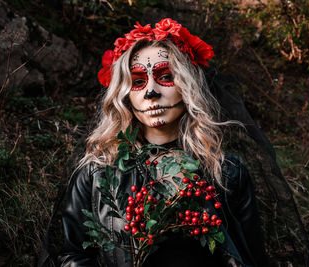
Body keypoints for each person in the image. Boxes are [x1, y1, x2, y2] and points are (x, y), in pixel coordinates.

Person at [57, 18, 269, 267]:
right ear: (125, 95)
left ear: (188, 86)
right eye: (137, 81)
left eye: (165, 76)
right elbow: (72, 256)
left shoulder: (226, 172)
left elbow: (249, 256)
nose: (151, 92)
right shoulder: (98, 173)